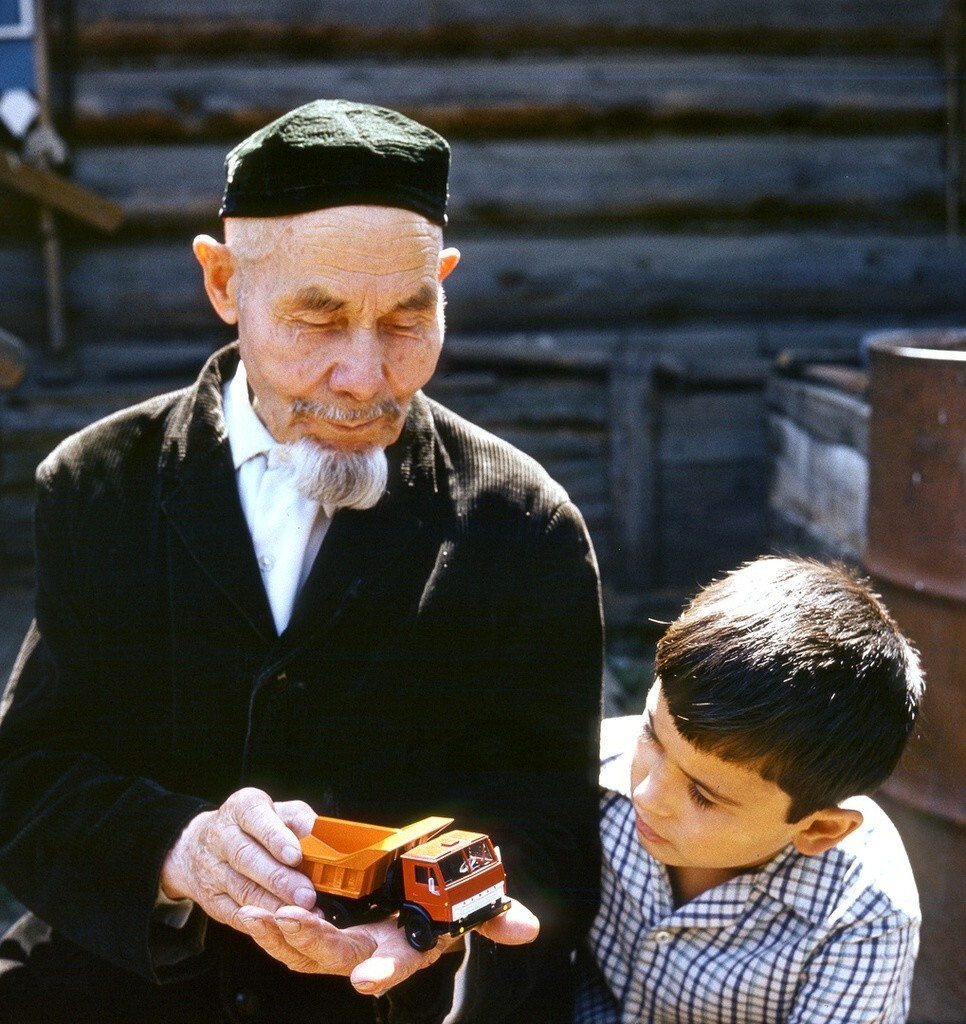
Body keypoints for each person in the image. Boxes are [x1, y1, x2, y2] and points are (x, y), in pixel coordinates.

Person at [0, 99, 604, 1024]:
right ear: (224, 283)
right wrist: (178, 851)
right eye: (317, 320)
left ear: (442, 286)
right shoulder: (100, 484)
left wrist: (435, 921)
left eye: (406, 320)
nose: (364, 378)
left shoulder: (523, 527)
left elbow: (551, 830)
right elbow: (33, 777)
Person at [575, 556, 923, 1024]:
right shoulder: (589, 773)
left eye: (703, 795)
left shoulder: (863, 915)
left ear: (819, 829)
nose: (646, 795)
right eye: (652, 736)